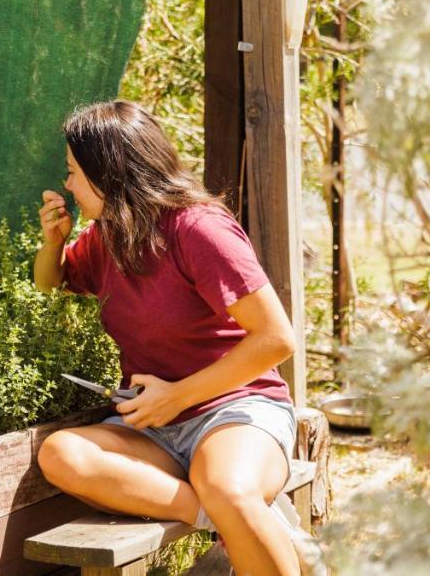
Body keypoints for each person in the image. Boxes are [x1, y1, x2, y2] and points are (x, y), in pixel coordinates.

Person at [33, 100, 311, 576]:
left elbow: (276, 339)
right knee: (61, 454)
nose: (68, 185)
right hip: (157, 429)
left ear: (109, 172)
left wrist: (176, 396)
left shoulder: (198, 228)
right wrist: (55, 240)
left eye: (74, 172)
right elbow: (50, 281)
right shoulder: (108, 236)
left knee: (229, 488)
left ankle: (228, 508)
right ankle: (219, 517)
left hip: (236, 411)